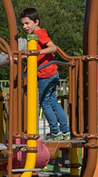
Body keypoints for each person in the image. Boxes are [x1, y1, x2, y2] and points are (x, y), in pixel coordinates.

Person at [18, 8, 70, 140]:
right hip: (52, 73)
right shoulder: (37, 35)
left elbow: (53, 47)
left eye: (27, 23)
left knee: (44, 103)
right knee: (53, 102)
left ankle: (55, 132)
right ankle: (65, 131)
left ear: (36, 21)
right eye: (22, 24)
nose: (25, 26)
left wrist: (37, 53)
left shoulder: (39, 33)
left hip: (45, 75)